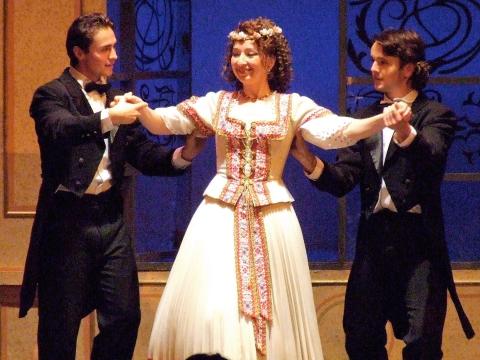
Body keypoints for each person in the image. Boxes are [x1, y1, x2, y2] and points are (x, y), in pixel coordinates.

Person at [119, 17, 410, 360]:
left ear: (270, 60)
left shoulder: (291, 106)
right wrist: (142, 111)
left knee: (273, 308)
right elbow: (166, 122)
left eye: (250, 53)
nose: (241, 61)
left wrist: (380, 120)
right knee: (214, 307)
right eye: (236, 53)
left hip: (271, 216)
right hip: (219, 215)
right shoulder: (218, 103)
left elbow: (336, 133)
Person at [19, 13, 203, 360]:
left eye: (114, 47)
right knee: (60, 327)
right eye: (106, 49)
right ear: (79, 52)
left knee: (124, 317)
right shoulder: (51, 94)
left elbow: (144, 154)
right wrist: (108, 119)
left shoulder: (115, 98)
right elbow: (60, 127)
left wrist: (184, 154)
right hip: (67, 223)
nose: (114, 55)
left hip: (110, 220)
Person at [291, 29, 475, 359]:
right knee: (360, 338)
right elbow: (343, 179)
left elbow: (431, 155)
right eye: (373, 60)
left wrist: (404, 129)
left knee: (421, 342)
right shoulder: (365, 118)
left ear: (406, 69)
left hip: (419, 245)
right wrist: (308, 160)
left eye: (383, 62)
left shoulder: (436, 114)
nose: (373, 68)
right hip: (374, 241)